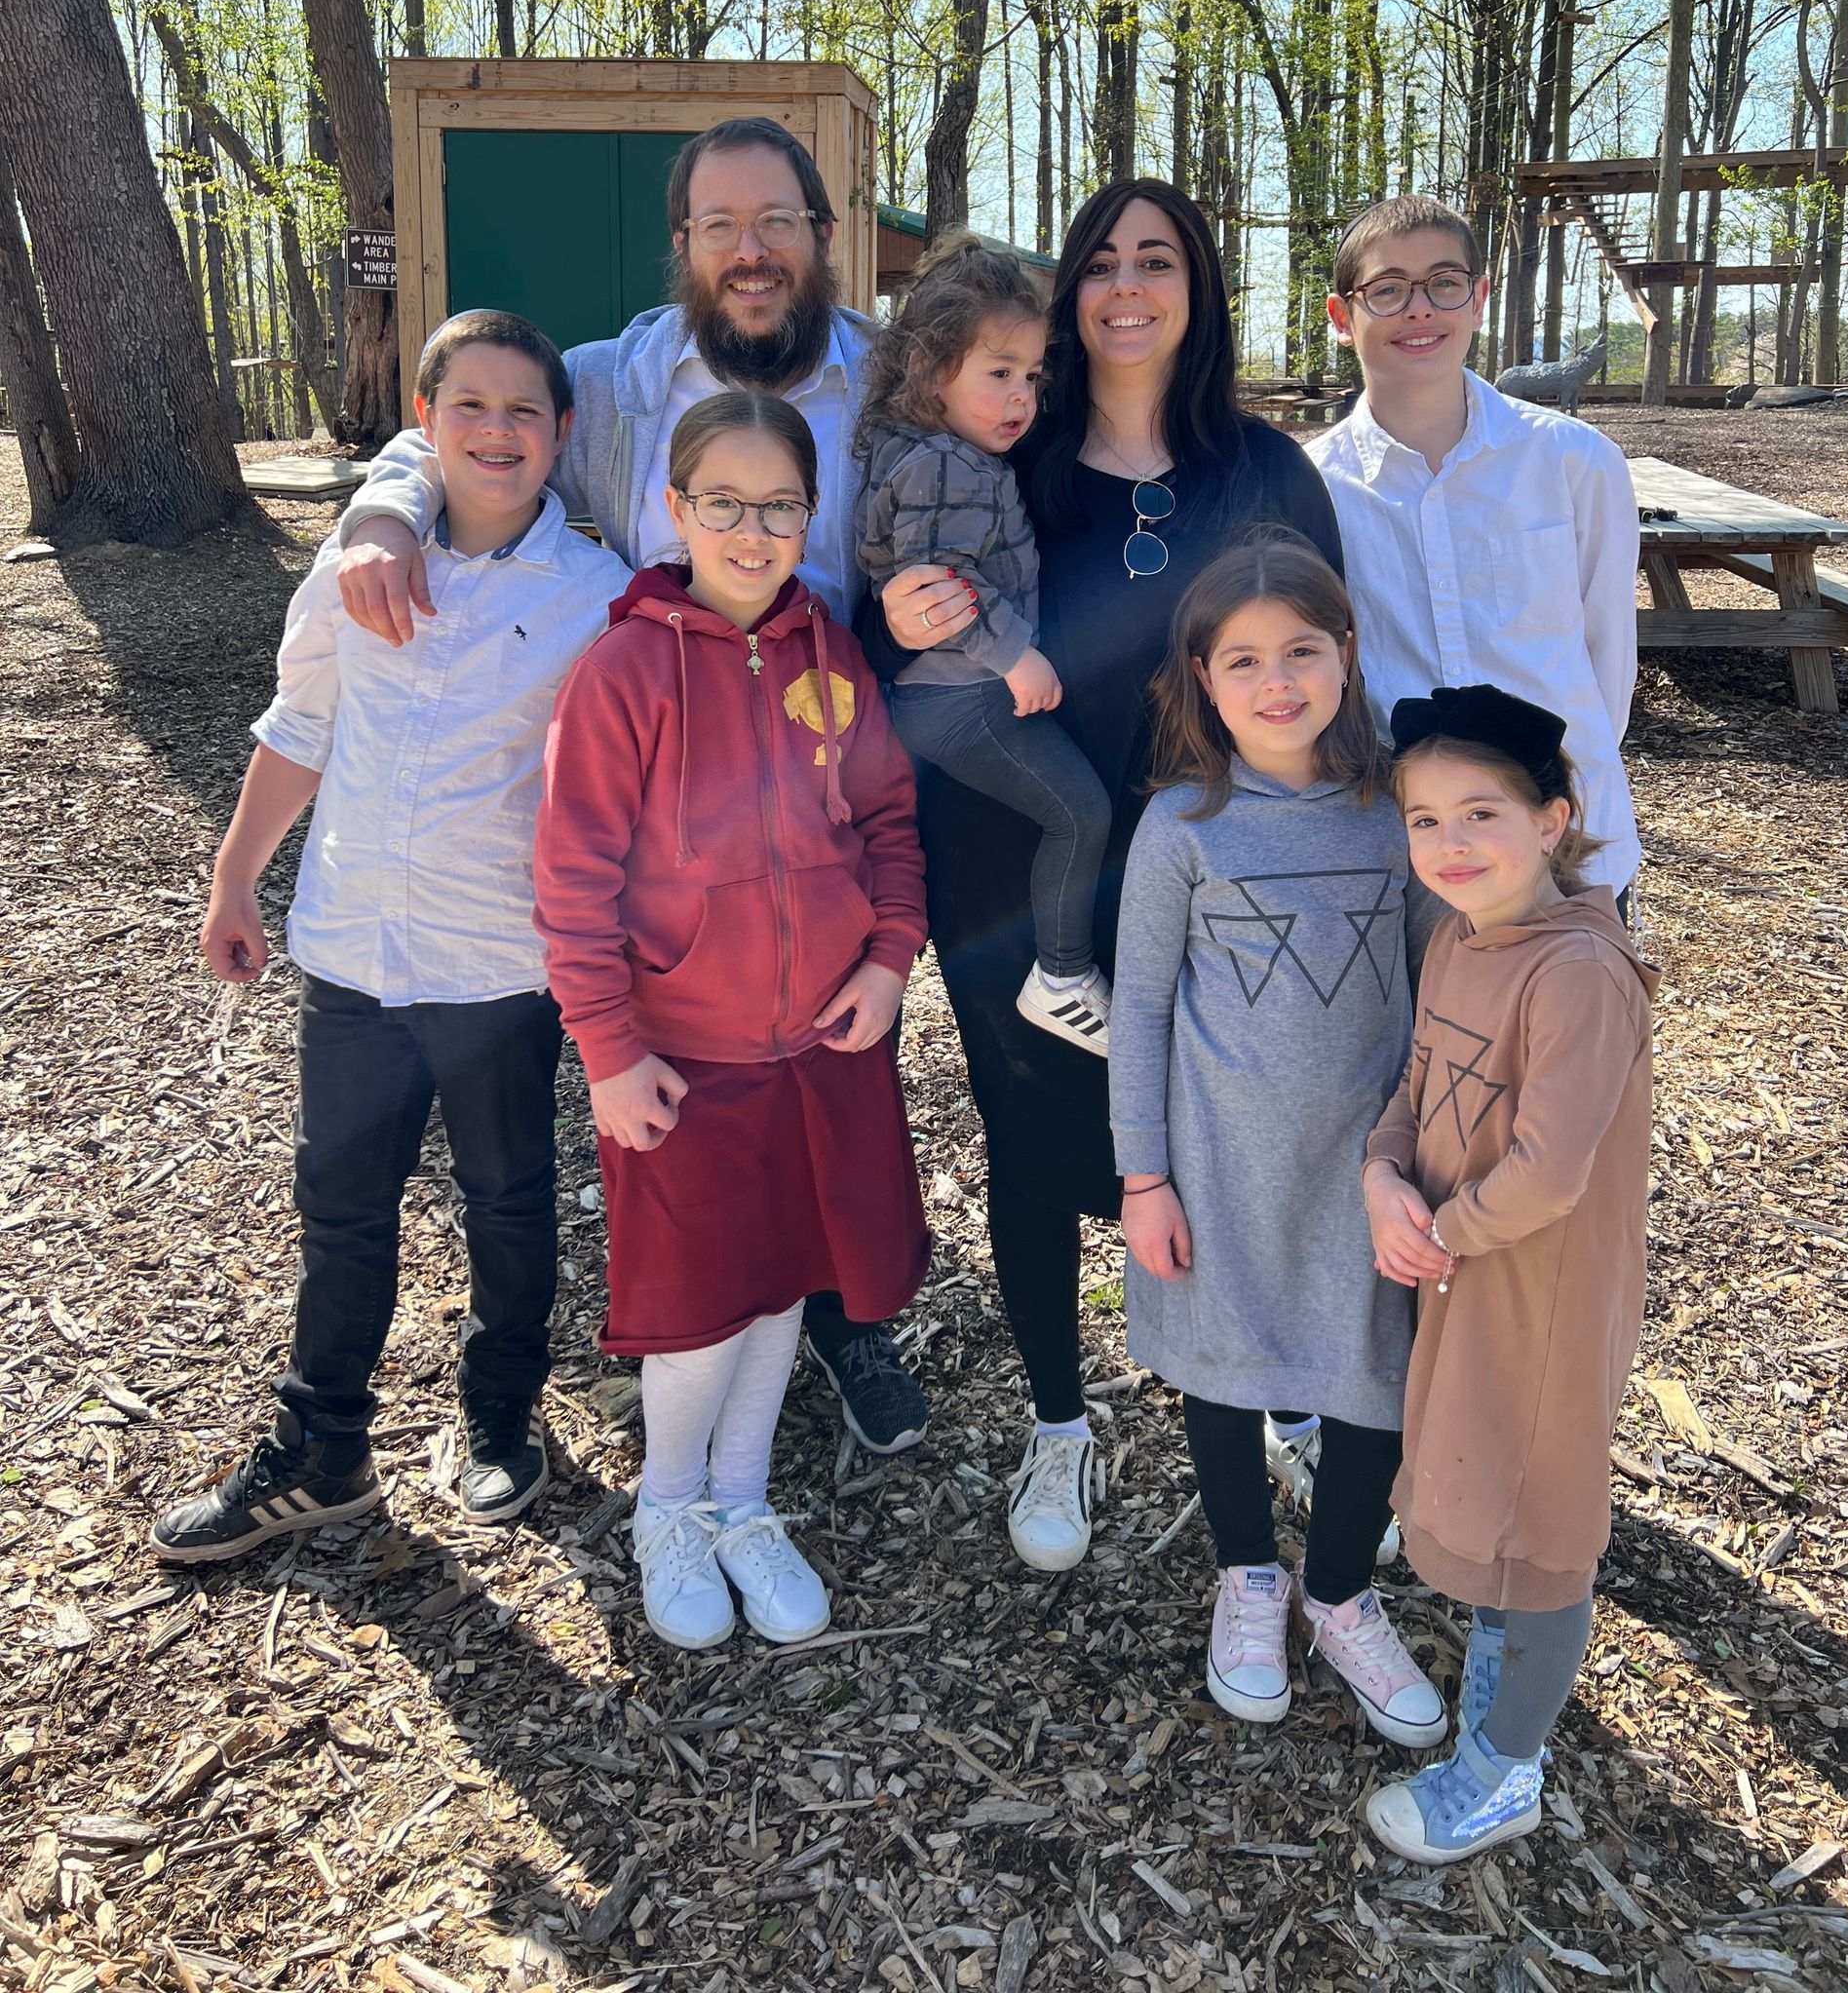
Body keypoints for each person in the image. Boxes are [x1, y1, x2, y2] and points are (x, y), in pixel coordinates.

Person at [332, 117, 927, 1456]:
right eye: (719, 227)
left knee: (833, 1076)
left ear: (824, 235)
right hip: (681, 805)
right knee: (704, 1122)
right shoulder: (615, 382)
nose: (749, 252)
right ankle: (691, 1360)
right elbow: (475, 419)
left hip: (839, 756)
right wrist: (384, 511)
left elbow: (1003, 435)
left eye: (775, 222)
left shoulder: (893, 377)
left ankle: (842, 1318)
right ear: (683, 245)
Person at [873, 180, 1343, 1572]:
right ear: (1069, 291)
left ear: (1199, 291)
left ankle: (1277, 1397)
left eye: (1160, 260)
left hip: (1220, 866)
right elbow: (884, 626)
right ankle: (1059, 1422)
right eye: (1103, 262)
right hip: (1014, 863)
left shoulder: (1266, 471)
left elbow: (1328, 666)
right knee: (1030, 1140)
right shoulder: (1001, 451)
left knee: (1238, 1137)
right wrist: (892, 611)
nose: (1128, 285)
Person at [151, 313, 628, 1562]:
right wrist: (234, 876)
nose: (497, 431)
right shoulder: (355, 566)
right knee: (342, 1204)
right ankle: (323, 1446)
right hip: (355, 947)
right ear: (425, 423)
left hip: (497, 964)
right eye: (469, 405)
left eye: (524, 411)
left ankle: (503, 1411)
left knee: (508, 1198)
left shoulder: (599, 599)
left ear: (562, 432)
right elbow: (299, 723)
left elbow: (623, 786)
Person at [533, 393, 930, 1650]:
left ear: (811, 516)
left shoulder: (834, 658)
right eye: (724, 504)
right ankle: (669, 1504)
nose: (752, 532)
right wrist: (608, 1046)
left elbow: (888, 821)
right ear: (676, 508)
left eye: (779, 507)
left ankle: (743, 1498)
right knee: (701, 1304)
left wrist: (888, 959)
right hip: (680, 1057)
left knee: (781, 1284)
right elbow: (572, 877)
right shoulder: (624, 671)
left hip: (823, 1042)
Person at [1111, 534, 1444, 1744]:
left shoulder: (1398, 810)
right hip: (1220, 1165)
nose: (1277, 681)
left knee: (1373, 1370)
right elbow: (1140, 1007)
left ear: (1346, 654)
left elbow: (1441, 980)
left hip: (1370, 1167)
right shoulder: (1183, 827)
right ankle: (1248, 1576)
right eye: (1243, 659)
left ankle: (1341, 1590)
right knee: (1225, 1362)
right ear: (1203, 677)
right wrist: (1143, 1175)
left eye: (1301, 650)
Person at [1360, 684, 1656, 1863]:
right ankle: (1497, 1671)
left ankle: (1503, 1770)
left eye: (1480, 812)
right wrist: (1382, 1176)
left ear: (1552, 818)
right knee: (1486, 1478)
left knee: (1542, 1522)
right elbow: (1415, 1084)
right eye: (1425, 819)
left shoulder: (1577, 972)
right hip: (1463, 1264)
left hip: (1540, 1292)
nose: (1451, 843)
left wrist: (1439, 1230)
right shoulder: (1456, 936)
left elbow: (1549, 1173)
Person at [1308, 194, 1640, 910]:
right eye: (1387, 289)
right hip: (1407, 854)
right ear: (1342, 316)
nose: (1419, 309)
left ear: (1479, 299)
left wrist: (1551, 780)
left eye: (1444, 283)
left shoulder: (1575, 461)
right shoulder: (1315, 488)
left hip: (1567, 841)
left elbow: (1608, 659)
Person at [856, 233, 1113, 1054]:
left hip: (945, 697)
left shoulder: (924, 449)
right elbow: (940, 586)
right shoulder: (949, 467)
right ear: (930, 369)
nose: (1021, 397)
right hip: (959, 698)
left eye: (1032, 376)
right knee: (1080, 812)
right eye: (998, 373)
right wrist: (1015, 657)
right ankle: (1063, 975)